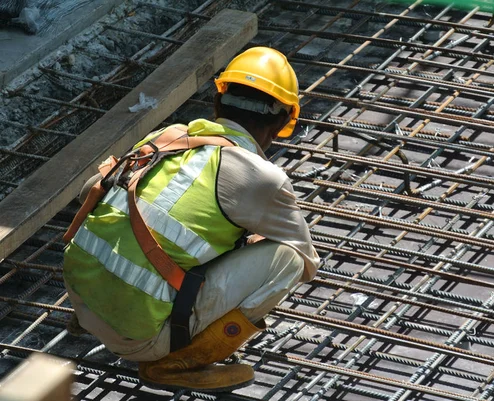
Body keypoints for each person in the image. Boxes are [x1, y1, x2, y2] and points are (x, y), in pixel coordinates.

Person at [62, 47, 320, 392]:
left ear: (217, 103)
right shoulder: (262, 177)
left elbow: (89, 193)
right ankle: (173, 365)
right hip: (139, 336)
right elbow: (306, 261)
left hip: (80, 294)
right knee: (288, 259)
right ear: (284, 121)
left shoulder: (168, 137)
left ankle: (96, 315)